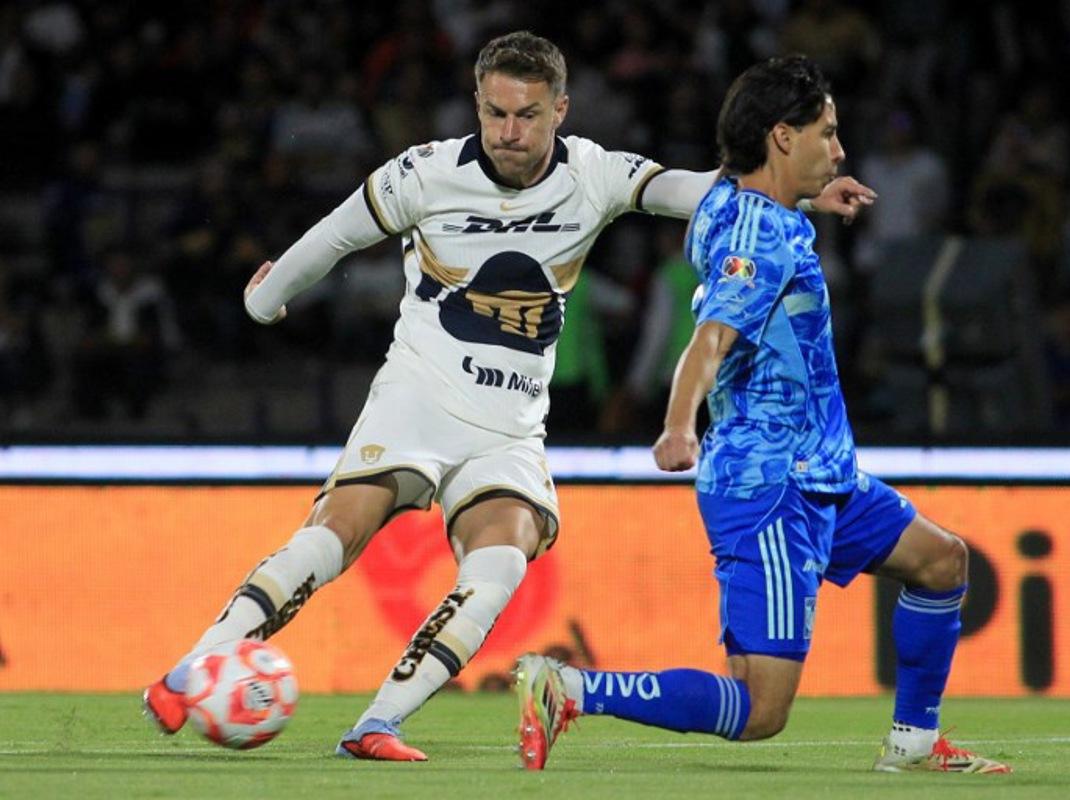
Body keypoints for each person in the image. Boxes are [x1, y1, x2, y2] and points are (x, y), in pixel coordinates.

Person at [142, 32, 873, 761]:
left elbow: (695, 189)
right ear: (478, 106)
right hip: (419, 396)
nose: (508, 132)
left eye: (525, 115)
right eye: (494, 114)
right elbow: (335, 236)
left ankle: (376, 724)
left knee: (502, 563)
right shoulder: (424, 173)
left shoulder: (593, 174)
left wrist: (800, 190)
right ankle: (187, 674)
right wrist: (266, 298)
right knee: (337, 533)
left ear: (560, 109)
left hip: (510, 424)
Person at [514, 55, 1011, 775]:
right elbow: (711, 337)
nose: (840, 150)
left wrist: (810, 196)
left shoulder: (729, 203)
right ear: (783, 136)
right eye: (827, 134)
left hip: (821, 474)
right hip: (772, 483)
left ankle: (915, 744)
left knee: (941, 562)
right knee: (759, 711)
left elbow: (748, 207)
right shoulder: (763, 240)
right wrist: (678, 423)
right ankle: (570, 687)